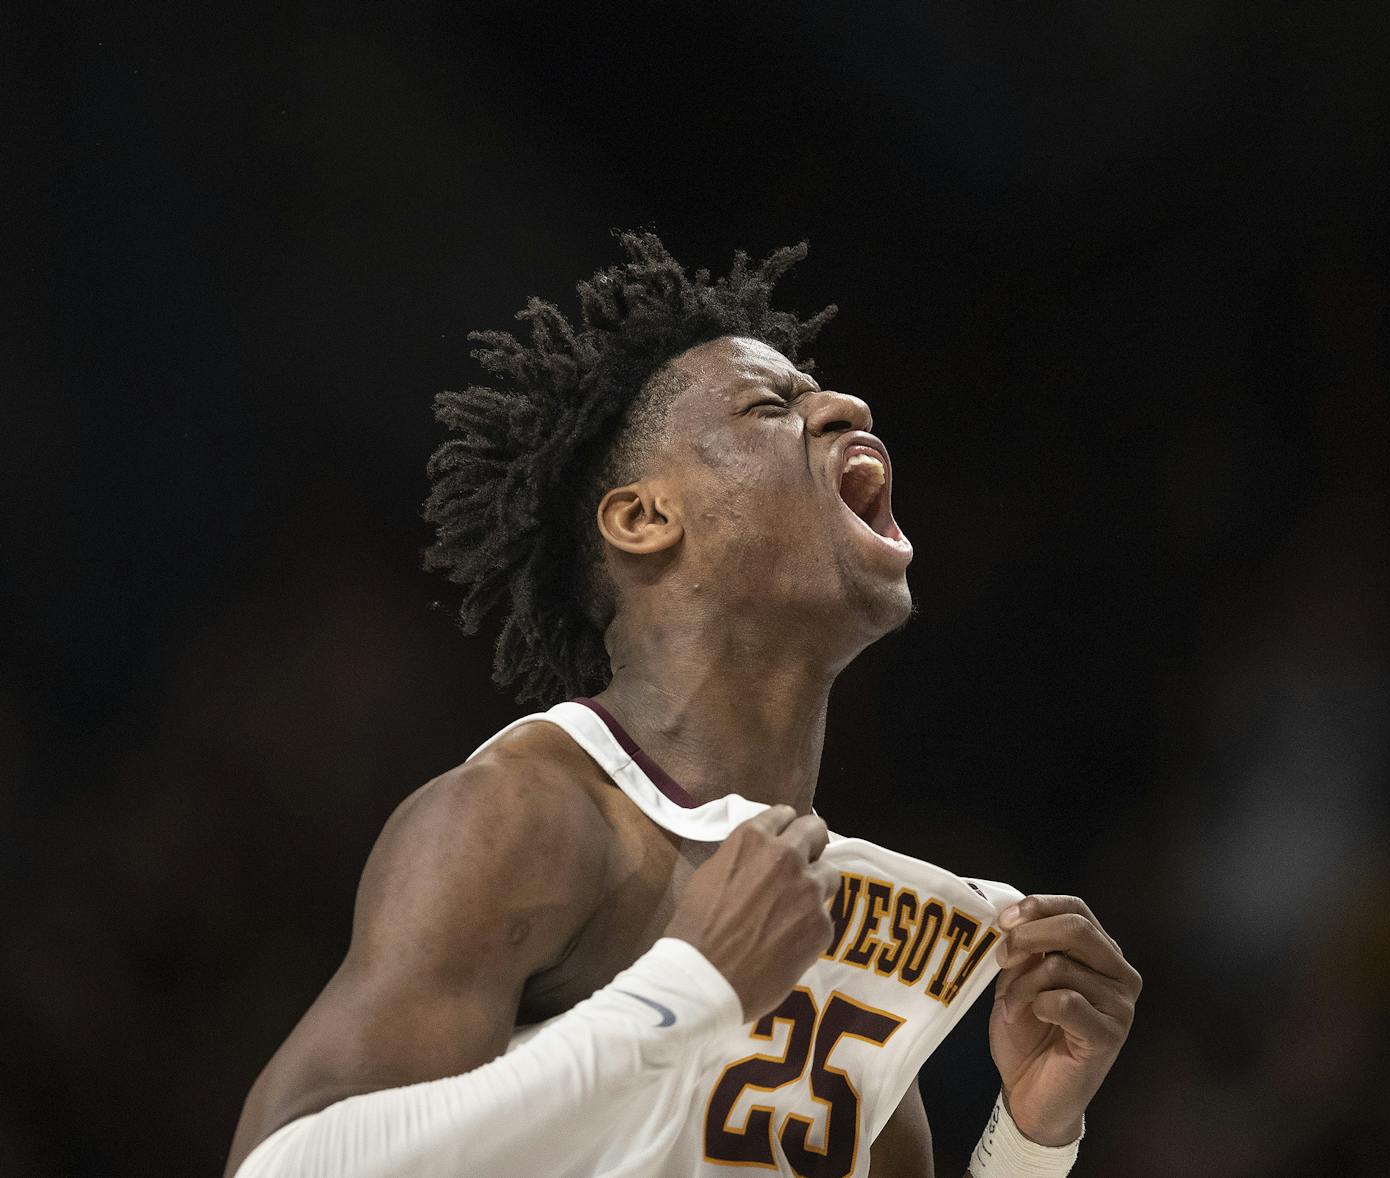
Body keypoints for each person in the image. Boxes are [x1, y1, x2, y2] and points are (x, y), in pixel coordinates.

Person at [223, 231, 1141, 1177]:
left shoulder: (842, 922)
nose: (847, 405)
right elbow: (283, 1167)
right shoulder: (523, 816)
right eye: (771, 404)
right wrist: (686, 993)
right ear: (645, 518)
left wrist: (1032, 1140)